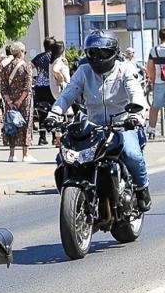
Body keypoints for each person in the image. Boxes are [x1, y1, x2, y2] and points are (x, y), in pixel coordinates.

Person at [49, 31, 151, 211]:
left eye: (103, 53)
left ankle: (142, 189)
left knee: (132, 154)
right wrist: (54, 114)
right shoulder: (84, 71)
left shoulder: (125, 68)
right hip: (92, 125)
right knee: (63, 158)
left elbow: (135, 92)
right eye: (92, 53)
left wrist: (135, 114)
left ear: (114, 52)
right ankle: (74, 199)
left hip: (122, 123)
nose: (97, 58)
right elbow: (68, 94)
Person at [0, 39, 33, 162]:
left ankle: (12, 154)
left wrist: (9, 101)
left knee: (11, 125)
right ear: (20, 52)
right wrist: (20, 101)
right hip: (24, 102)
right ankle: (25, 154)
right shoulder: (26, 67)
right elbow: (27, 87)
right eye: (24, 51)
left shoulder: (6, 68)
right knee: (25, 124)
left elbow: (3, 87)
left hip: (10, 101)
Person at [30, 40, 54, 146]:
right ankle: (54, 137)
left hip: (39, 86)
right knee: (53, 111)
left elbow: (29, 66)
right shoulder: (54, 57)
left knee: (41, 112)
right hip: (51, 87)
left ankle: (42, 137)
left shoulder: (38, 57)